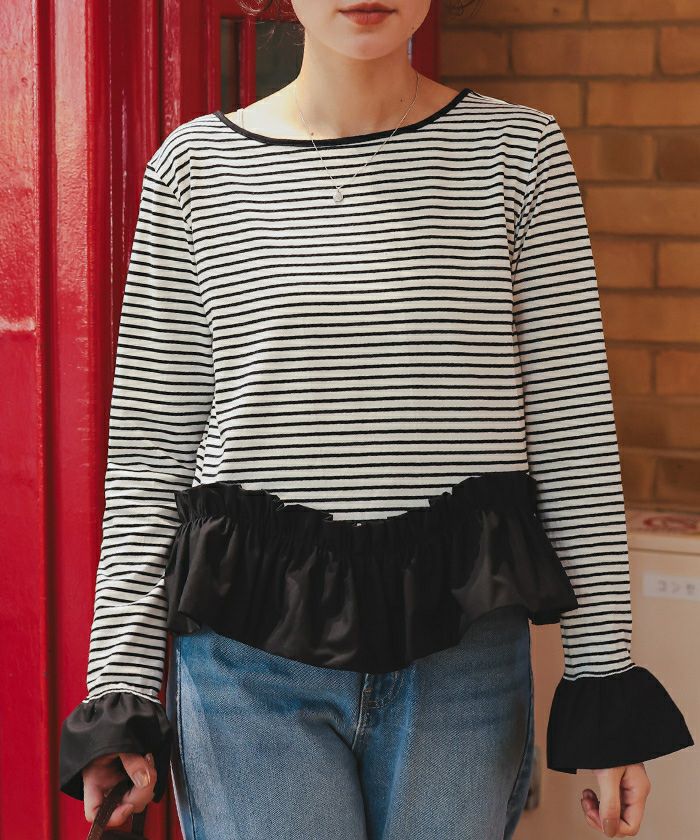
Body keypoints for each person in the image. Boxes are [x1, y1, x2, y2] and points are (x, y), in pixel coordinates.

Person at [58, 1, 694, 837]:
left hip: (461, 657)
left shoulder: (519, 153)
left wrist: (604, 682)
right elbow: (152, 453)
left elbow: (572, 433)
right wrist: (121, 688)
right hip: (247, 664)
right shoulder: (194, 169)